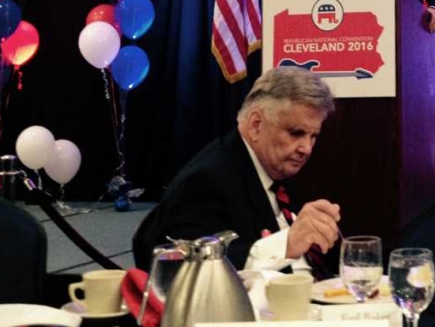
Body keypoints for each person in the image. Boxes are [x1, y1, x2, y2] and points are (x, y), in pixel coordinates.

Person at [133, 67, 341, 275]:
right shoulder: (206, 180)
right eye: (296, 133)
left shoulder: (277, 169)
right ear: (256, 125)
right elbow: (188, 268)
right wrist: (284, 244)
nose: (306, 148)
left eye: (313, 136)